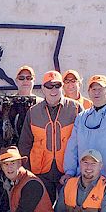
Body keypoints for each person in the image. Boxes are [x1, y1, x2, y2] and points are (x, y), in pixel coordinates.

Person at [18, 70, 81, 203]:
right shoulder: (33, 111)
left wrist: (79, 169)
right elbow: (25, 143)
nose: (53, 89)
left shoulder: (75, 108)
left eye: (57, 85)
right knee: (43, 210)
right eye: (49, 86)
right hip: (40, 171)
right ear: (42, 89)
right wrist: (28, 171)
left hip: (67, 170)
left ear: (62, 87)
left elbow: (84, 141)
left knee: (68, 209)